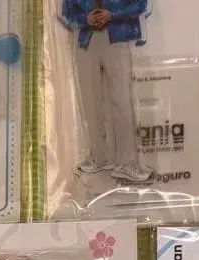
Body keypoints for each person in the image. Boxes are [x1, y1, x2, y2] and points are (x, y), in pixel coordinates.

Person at [59, 0, 153, 184]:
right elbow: (67, 14)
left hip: (118, 37)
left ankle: (126, 162)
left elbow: (141, 4)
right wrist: (85, 18)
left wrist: (112, 14)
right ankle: (100, 156)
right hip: (86, 40)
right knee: (90, 101)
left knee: (122, 101)